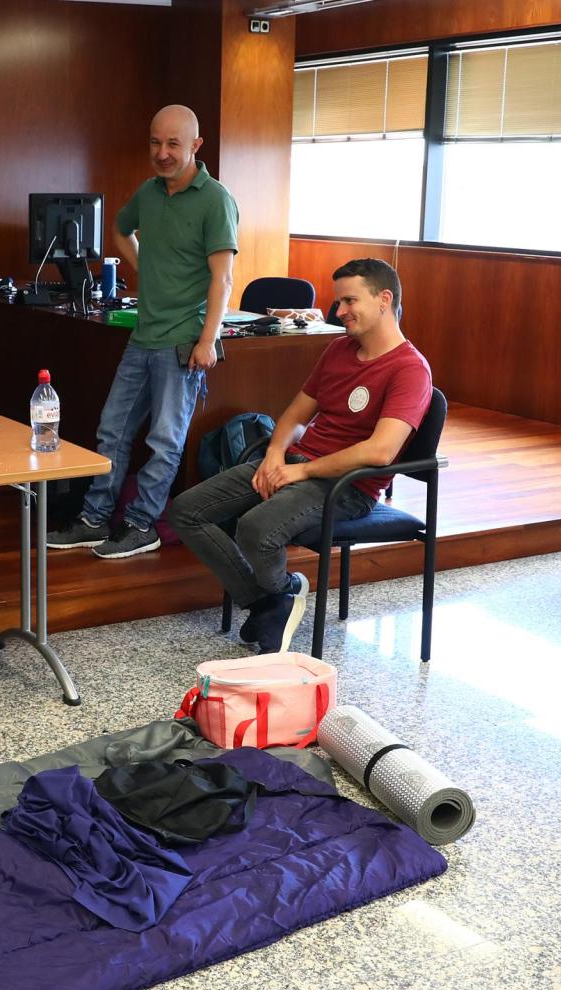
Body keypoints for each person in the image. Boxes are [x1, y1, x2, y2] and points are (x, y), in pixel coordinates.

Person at [171, 259, 432, 653]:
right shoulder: (338, 350)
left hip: (347, 487)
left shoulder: (410, 370)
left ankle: (274, 601)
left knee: (255, 528)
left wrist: (302, 471)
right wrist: (275, 454)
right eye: (338, 302)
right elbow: (295, 415)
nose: (339, 311)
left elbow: (380, 452)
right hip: (297, 464)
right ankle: (273, 598)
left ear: (384, 300)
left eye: (349, 301)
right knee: (186, 511)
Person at [47, 104, 238, 559]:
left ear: (196, 146)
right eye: (156, 143)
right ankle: (95, 520)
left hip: (183, 342)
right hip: (143, 336)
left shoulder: (216, 200)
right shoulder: (149, 193)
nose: (163, 153)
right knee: (111, 430)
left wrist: (208, 339)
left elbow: (223, 279)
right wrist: (146, 270)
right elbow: (118, 231)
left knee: (164, 441)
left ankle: (141, 525)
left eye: (174, 144)